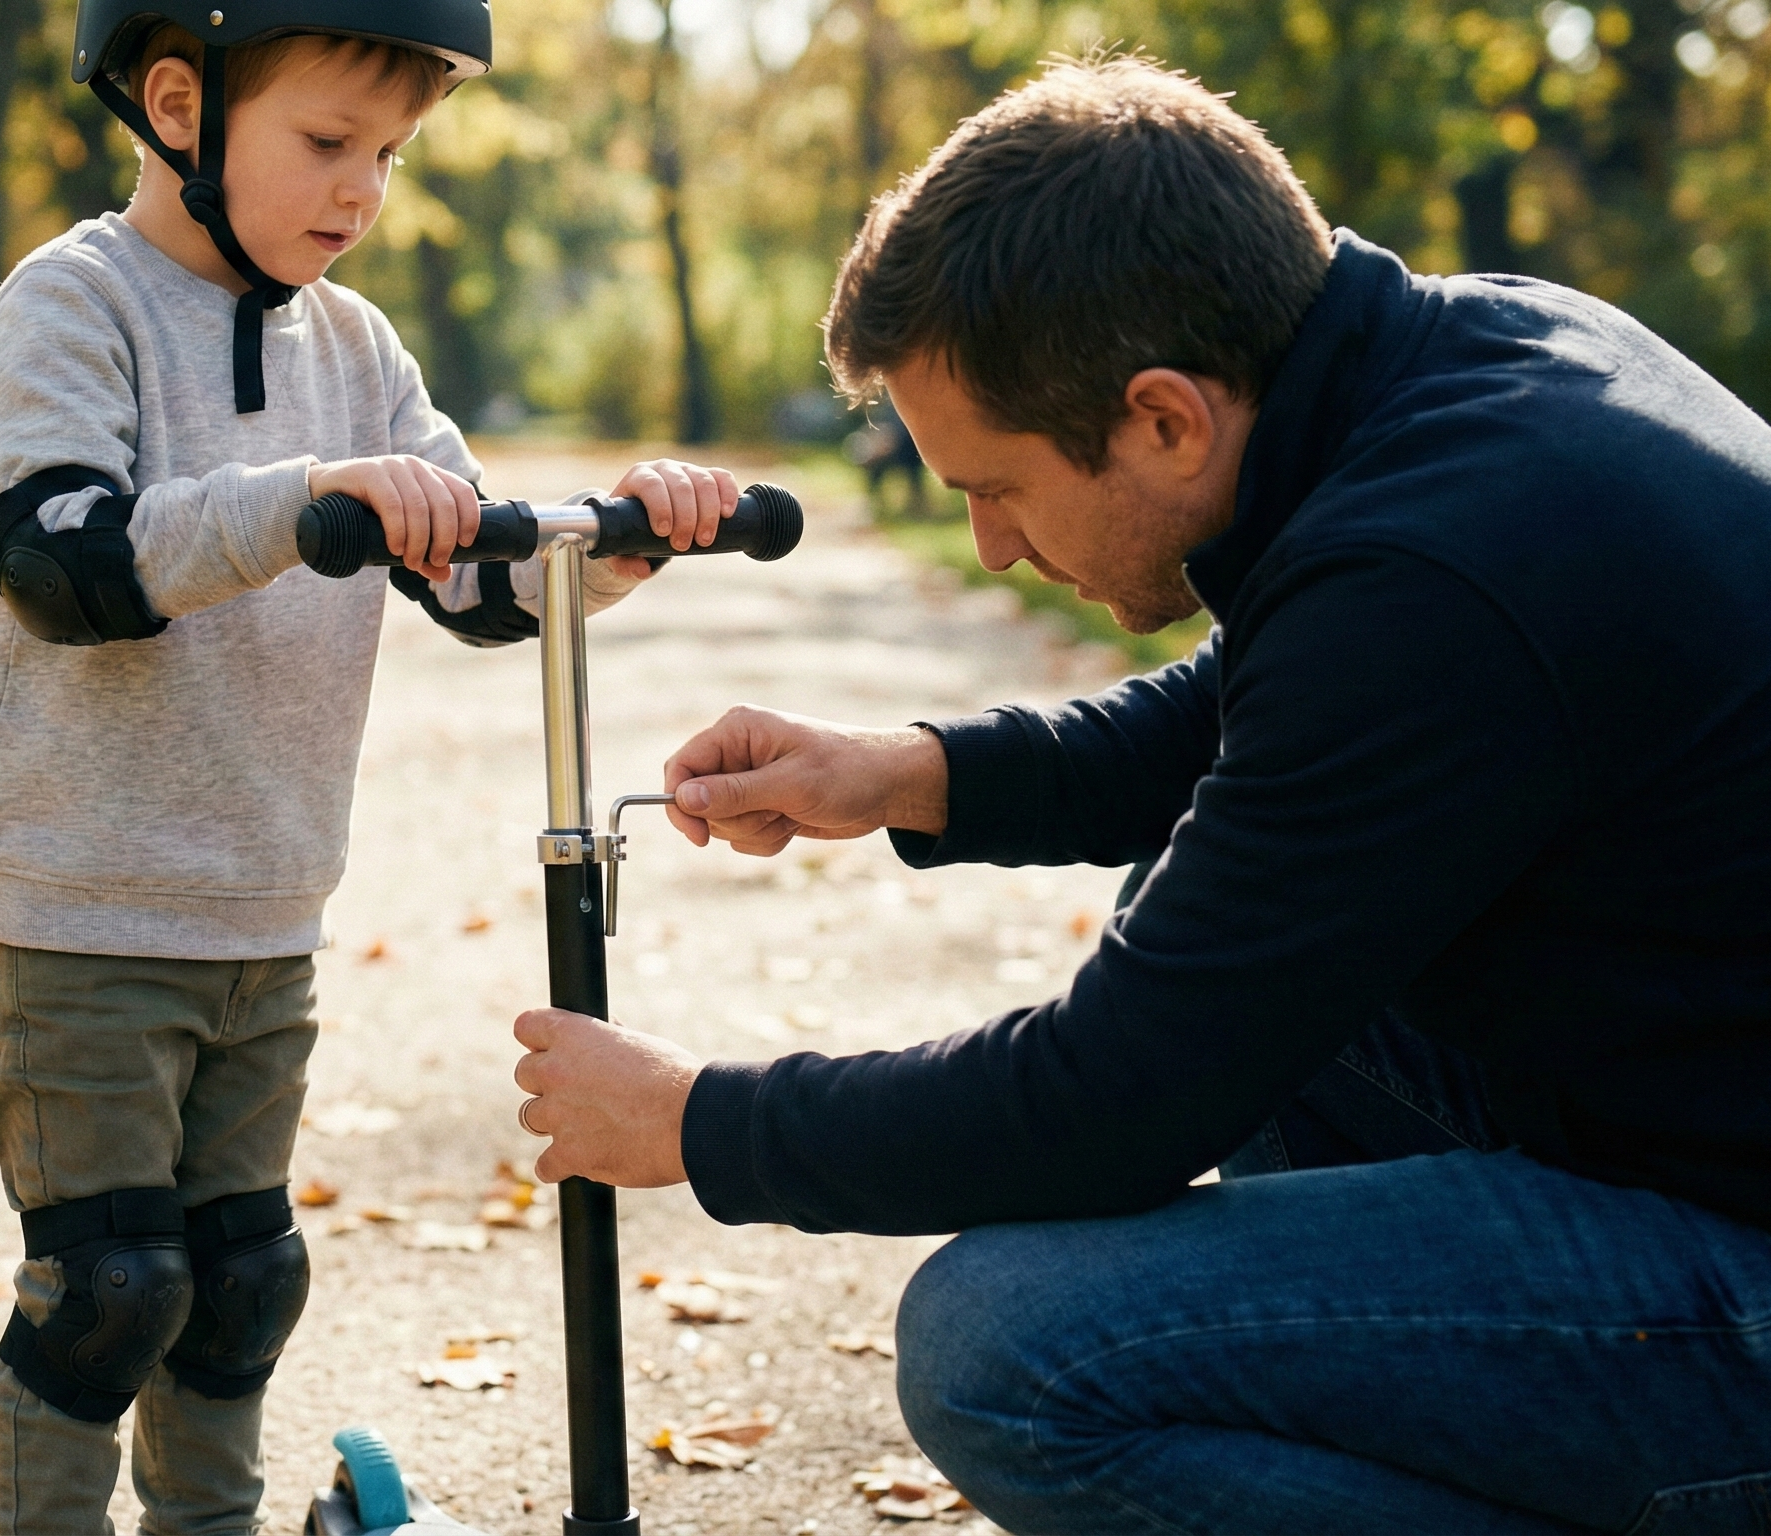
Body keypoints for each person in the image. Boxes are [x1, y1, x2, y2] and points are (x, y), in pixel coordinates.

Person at [508, 56, 1771, 1534]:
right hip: (1690, 1114)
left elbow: (1113, 1100)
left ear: (1164, 419)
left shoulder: (1433, 571)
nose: (991, 546)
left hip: (1738, 1260)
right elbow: (1247, 721)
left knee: (1013, 1347)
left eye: (997, 487)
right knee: (1234, 945)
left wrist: (700, 1122)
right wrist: (907, 772)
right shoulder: (1472, 364)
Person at [0, 0, 741, 1529]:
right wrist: (300, 500)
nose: (361, 190)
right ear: (179, 105)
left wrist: (614, 540)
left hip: (267, 914)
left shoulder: (360, 347)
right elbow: (56, 562)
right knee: (110, 1290)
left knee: (240, 1279)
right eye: (327, 141)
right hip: (83, 913)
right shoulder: (72, 305)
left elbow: (477, 575)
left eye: (389, 154)